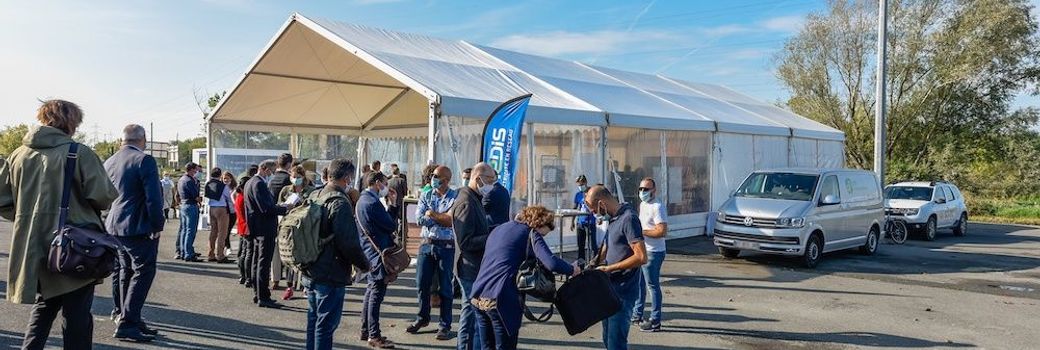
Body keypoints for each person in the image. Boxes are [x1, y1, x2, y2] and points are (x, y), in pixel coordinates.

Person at [0, 100, 118, 349]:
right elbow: (103, 196)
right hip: (74, 246)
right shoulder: (78, 152)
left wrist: (28, 217)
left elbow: (3, 201)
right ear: (72, 122)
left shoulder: (17, 155)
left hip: (33, 246)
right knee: (77, 316)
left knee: (44, 306)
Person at [471, 206, 580, 350]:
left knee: (486, 346)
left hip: (478, 294)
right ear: (539, 224)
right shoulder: (531, 233)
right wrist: (572, 269)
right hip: (500, 298)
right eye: (543, 234)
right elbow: (551, 262)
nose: (542, 238)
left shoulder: (499, 229)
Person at [103, 124, 165, 342]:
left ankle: (127, 316)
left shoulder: (110, 161)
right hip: (138, 226)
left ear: (123, 140)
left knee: (125, 271)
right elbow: (153, 197)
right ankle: (128, 323)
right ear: (143, 139)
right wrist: (157, 225)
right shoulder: (144, 160)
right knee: (143, 271)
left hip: (114, 224)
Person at [301, 158, 371, 350]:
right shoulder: (340, 202)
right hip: (330, 272)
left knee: (313, 321)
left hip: (310, 266)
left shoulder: (315, 194)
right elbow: (348, 242)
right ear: (348, 178)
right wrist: (364, 264)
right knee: (326, 325)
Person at [584, 185, 648, 350]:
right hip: (610, 290)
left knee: (616, 343)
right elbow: (610, 245)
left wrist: (609, 268)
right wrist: (594, 263)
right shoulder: (613, 218)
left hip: (623, 292)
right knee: (607, 338)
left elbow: (641, 257)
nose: (594, 213)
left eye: (593, 209)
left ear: (602, 203)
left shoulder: (629, 219)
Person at [408, 166, 458, 340]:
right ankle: (422, 318)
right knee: (422, 284)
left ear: (446, 179)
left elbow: (450, 221)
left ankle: (445, 325)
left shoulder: (455, 197)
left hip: (446, 246)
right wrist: (438, 216)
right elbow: (419, 219)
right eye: (432, 176)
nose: (432, 178)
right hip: (426, 245)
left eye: (436, 176)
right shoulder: (426, 194)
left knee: (445, 287)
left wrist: (432, 214)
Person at [450, 162, 495, 350]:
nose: (492, 185)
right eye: (491, 180)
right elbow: (466, 241)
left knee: (471, 315)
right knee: (474, 317)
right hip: (469, 267)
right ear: (478, 178)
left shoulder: (473, 197)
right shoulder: (467, 201)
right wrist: (491, 237)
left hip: (473, 266)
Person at [357, 171, 400, 349]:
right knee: (376, 293)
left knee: (371, 291)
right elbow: (390, 224)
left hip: (369, 251)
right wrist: (394, 204)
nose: (386, 187)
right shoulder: (373, 202)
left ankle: (366, 330)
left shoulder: (363, 200)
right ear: (377, 183)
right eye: (384, 183)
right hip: (378, 253)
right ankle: (373, 335)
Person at [244, 159, 293, 308]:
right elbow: (266, 208)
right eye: (270, 172)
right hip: (264, 228)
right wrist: (285, 208)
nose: (271, 175)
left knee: (257, 261)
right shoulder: (258, 184)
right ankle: (263, 296)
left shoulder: (250, 182)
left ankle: (258, 292)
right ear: (264, 169)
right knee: (263, 263)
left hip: (256, 227)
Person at [633, 178, 669, 332]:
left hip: (654, 252)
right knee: (639, 284)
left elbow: (662, 231)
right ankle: (637, 315)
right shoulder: (643, 204)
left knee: (652, 286)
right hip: (642, 250)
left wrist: (642, 232)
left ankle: (655, 321)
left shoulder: (657, 207)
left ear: (654, 190)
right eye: (641, 189)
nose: (642, 192)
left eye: (646, 189)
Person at [205, 167, 232, 263]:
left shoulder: (208, 184)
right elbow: (228, 197)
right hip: (221, 208)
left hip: (211, 207)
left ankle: (210, 253)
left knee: (213, 231)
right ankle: (220, 255)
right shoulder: (223, 185)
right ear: (220, 175)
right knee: (222, 232)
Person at [177, 162, 203, 262]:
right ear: (191, 169)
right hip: (191, 205)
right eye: (196, 169)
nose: (197, 171)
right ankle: (189, 253)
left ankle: (183, 251)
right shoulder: (190, 181)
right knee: (190, 230)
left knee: (184, 229)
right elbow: (195, 195)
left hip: (183, 205)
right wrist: (199, 199)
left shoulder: (181, 179)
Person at [235, 172, 253, 286]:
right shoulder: (244, 198)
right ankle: (247, 277)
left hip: (241, 227)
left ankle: (242, 276)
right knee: (248, 253)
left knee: (242, 253)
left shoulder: (239, 197)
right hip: (247, 227)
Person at [571, 175, 595, 261]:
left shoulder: (592, 192)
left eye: (581, 184)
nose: (580, 187)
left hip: (590, 222)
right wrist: (572, 221)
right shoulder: (578, 195)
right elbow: (575, 208)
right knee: (580, 245)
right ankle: (581, 262)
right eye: (578, 185)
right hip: (580, 222)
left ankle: (594, 262)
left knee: (592, 245)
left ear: (585, 183)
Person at [223, 171, 237, 258]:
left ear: (231, 179)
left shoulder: (234, 188)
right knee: (226, 230)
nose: (225, 180)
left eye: (227, 178)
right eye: (224, 178)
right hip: (225, 211)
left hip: (233, 211)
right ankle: (227, 247)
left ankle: (227, 246)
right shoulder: (222, 187)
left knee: (228, 229)